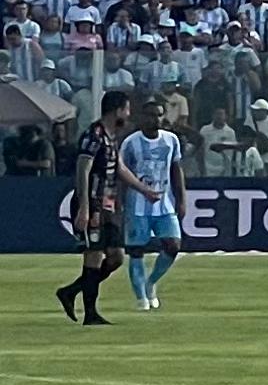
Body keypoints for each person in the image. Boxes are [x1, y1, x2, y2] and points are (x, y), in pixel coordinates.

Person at [55, 95, 130, 325]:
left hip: (109, 204)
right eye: (127, 110)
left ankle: (71, 291)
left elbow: (118, 167)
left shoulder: (111, 137)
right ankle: (91, 313)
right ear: (117, 111)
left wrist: (144, 189)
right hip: (94, 203)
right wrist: (85, 207)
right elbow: (83, 168)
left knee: (116, 257)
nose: (128, 115)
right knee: (94, 255)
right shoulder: (94, 134)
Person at [118, 101, 190, 313]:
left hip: (164, 204)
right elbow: (122, 173)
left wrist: (182, 198)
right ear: (142, 117)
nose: (155, 119)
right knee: (136, 250)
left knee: (173, 245)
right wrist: (120, 204)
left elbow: (176, 170)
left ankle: (151, 282)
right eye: (150, 115)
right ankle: (141, 297)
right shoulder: (131, 143)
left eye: (158, 115)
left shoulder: (171, 140)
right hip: (137, 204)